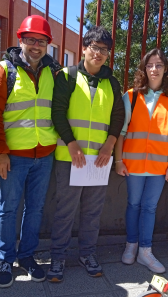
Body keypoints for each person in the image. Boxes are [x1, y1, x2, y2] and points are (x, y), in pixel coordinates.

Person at [0, 15, 62, 288]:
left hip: (45, 154)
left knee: (36, 209)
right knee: (8, 208)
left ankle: (27, 256)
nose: (36, 46)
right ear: (20, 40)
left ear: (48, 44)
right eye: (30, 40)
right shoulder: (3, 70)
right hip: (13, 156)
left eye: (41, 41)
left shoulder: (55, 73)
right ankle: (6, 258)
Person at [47, 26, 125, 282]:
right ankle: (58, 257)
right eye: (95, 47)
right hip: (71, 158)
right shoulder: (67, 76)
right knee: (65, 211)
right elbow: (57, 112)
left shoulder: (112, 83)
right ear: (84, 48)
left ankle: (87, 253)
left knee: (93, 211)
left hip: (99, 160)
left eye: (104, 50)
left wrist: (109, 145)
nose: (99, 54)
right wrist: (71, 144)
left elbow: (118, 117)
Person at [114, 49, 168, 273]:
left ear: (166, 70)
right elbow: (121, 132)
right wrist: (118, 161)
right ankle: (130, 245)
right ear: (144, 69)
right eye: (150, 65)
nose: (154, 69)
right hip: (132, 165)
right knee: (133, 205)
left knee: (150, 207)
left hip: (159, 166)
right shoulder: (131, 97)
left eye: (159, 65)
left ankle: (145, 251)